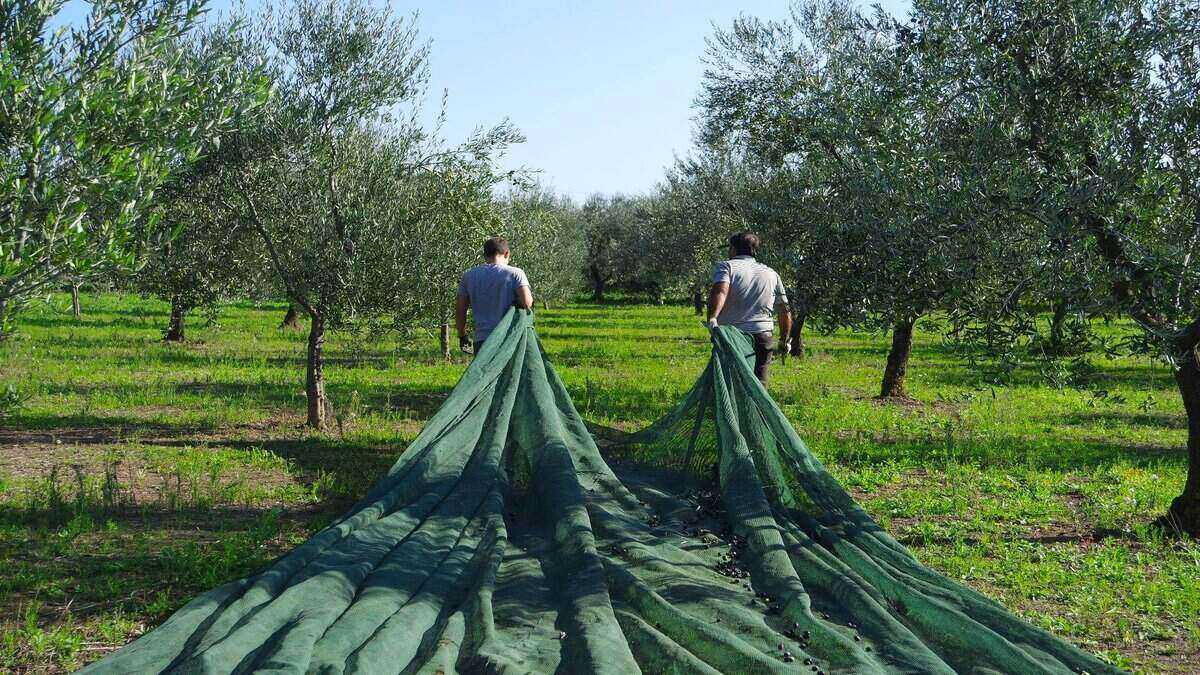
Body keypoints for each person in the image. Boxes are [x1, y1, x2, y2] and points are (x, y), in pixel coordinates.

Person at [706, 232, 792, 384]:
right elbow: (784, 310)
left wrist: (713, 317)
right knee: (759, 383)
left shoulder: (727, 267)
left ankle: (732, 408)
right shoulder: (771, 273)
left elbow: (720, 291)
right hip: (762, 335)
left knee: (729, 382)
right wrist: (784, 339)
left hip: (731, 335)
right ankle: (757, 408)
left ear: (733, 249)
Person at [456, 237, 533, 354]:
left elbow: (460, 309)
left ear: (485, 254)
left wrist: (462, 335)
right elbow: (527, 303)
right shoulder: (516, 273)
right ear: (507, 253)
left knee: (484, 372)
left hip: (482, 339)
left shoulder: (469, 276)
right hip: (509, 338)